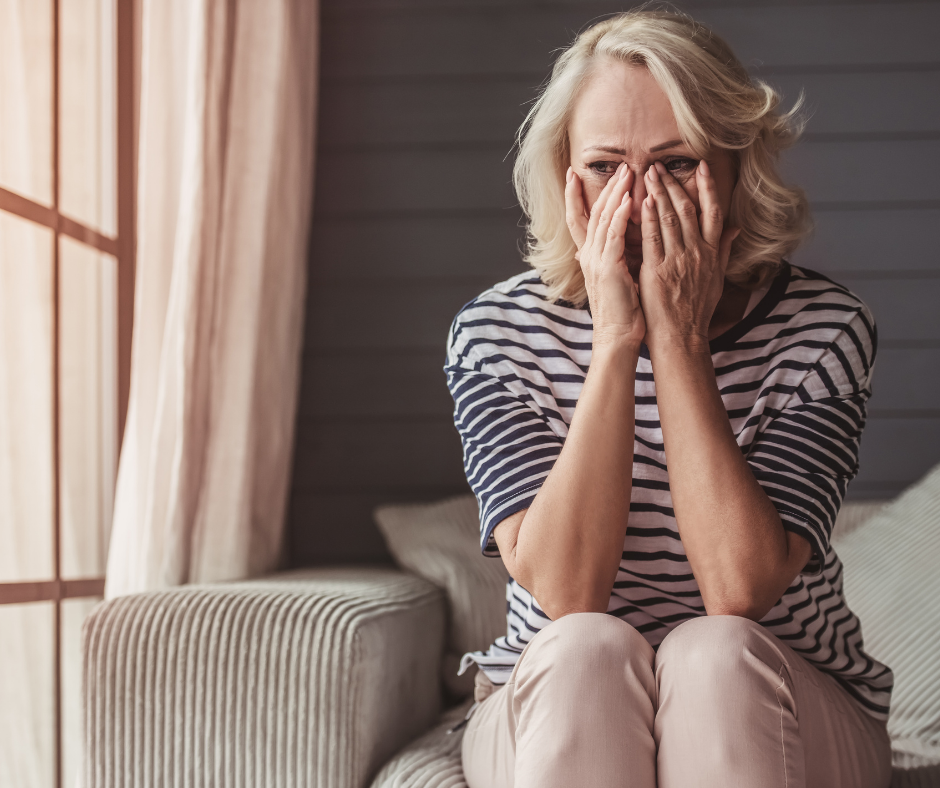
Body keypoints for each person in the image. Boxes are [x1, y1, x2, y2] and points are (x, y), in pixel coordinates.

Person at [442, 8, 894, 788]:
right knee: (587, 645)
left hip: (786, 695)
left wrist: (679, 340)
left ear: (733, 167)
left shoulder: (822, 328)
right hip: (553, 694)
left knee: (714, 651)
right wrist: (618, 340)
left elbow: (739, 588)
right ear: (563, 176)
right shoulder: (495, 331)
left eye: (677, 164)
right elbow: (565, 591)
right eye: (605, 166)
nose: (641, 198)